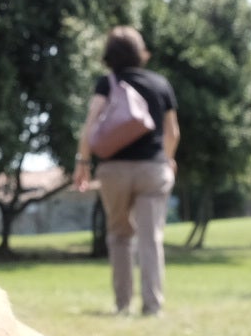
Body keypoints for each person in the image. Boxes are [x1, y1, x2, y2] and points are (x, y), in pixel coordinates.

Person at [72, 26, 180, 316]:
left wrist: (82, 163)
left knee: (120, 235)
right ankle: (153, 306)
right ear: (139, 51)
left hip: (113, 171)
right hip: (153, 169)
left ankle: (122, 306)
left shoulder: (107, 83)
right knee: (150, 238)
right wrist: (168, 159)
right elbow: (173, 132)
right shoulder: (160, 84)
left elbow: (91, 124)